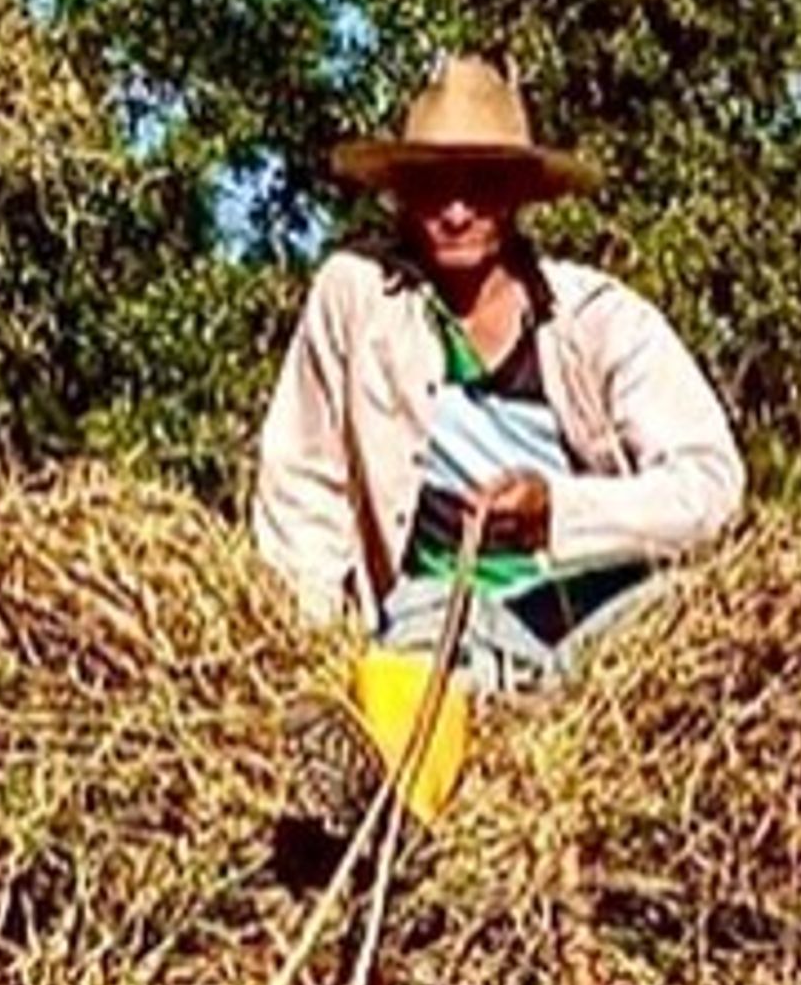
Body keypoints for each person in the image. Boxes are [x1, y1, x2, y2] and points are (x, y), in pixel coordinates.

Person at [253, 52, 744, 697]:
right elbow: (303, 491)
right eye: (434, 187)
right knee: (409, 690)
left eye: (479, 185)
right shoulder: (359, 300)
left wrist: (559, 512)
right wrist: (305, 656)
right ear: (404, 194)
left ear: (515, 195)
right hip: (436, 620)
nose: (456, 212)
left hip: (594, 614)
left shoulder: (596, 320)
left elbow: (711, 484)